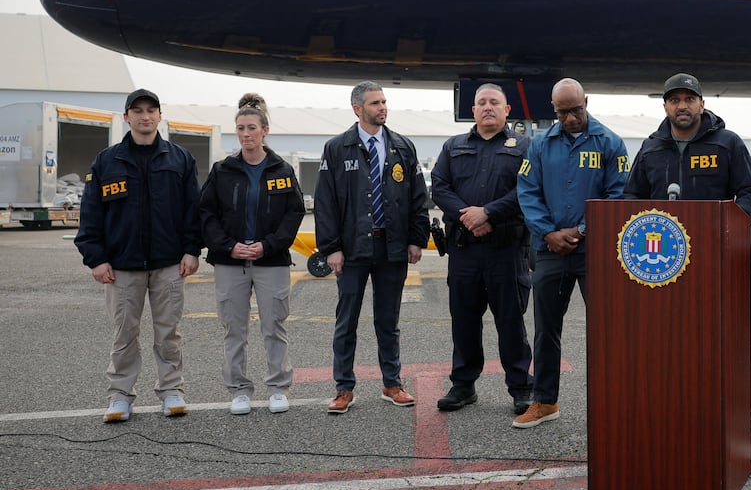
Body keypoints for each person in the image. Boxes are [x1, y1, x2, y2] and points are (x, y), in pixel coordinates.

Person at [75, 89, 202, 423]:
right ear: (126, 117)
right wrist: (96, 258)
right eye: (138, 111)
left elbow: (194, 211)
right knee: (124, 334)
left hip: (169, 264)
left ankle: (172, 390)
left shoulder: (180, 159)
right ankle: (120, 396)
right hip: (121, 267)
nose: (145, 116)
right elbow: (90, 214)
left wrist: (191, 250)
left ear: (160, 116)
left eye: (151, 110)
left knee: (169, 334)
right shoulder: (106, 161)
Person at [514, 79, 629, 428]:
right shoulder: (539, 145)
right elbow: (527, 191)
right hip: (549, 250)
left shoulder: (610, 143)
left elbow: (619, 195)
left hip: (594, 251)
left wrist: (582, 231)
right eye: (563, 112)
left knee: (608, 327)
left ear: (586, 103)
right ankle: (545, 402)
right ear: (554, 110)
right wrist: (547, 232)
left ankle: (618, 400)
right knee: (545, 328)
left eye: (576, 110)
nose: (570, 118)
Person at [314, 81, 430, 414]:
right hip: (351, 250)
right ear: (357, 109)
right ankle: (343, 388)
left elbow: (417, 198)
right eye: (375, 103)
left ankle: (392, 383)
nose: (382, 107)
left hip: (392, 249)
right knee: (346, 320)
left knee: (388, 320)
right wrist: (331, 248)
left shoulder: (403, 147)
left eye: (384, 101)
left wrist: (415, 239)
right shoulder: (337, 148)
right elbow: (325, 202)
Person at [198, 94, 305, 416]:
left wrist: (268, 245)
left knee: (274, 326)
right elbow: (206, 214)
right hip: (230, 262)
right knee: (234, 329)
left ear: (265, 131)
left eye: (251, 128)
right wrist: (228, 245)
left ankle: (277, 387)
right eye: (240, 128)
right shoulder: (223, 170)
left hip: (270, 261)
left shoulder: (281, 169)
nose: (246, 134)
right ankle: (240, 390)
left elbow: (293, 214)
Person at [432, 84, 535, 415]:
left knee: (510, 321)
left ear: (507, 111)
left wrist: (488, 213)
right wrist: (470, 217)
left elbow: (528, 190)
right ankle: (463, 385)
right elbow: (440, 187)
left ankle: (521, 387)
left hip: (506, 250)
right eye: (481, 103)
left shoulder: (525, 147)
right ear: (473, 111)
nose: (488, 107)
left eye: (495, 102)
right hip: (464, 250)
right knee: (463, 319)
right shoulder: (453, 146)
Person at [622, 72, 751, 223]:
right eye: (674, 100)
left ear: (701, 105)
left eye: (690, 99)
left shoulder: (727, 144)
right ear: (665, 107)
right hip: (665, 241)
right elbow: (632, 195)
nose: (682, 106)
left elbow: (749, 192)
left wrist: (732, 225)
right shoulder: (650, 148)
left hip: (713, 239)